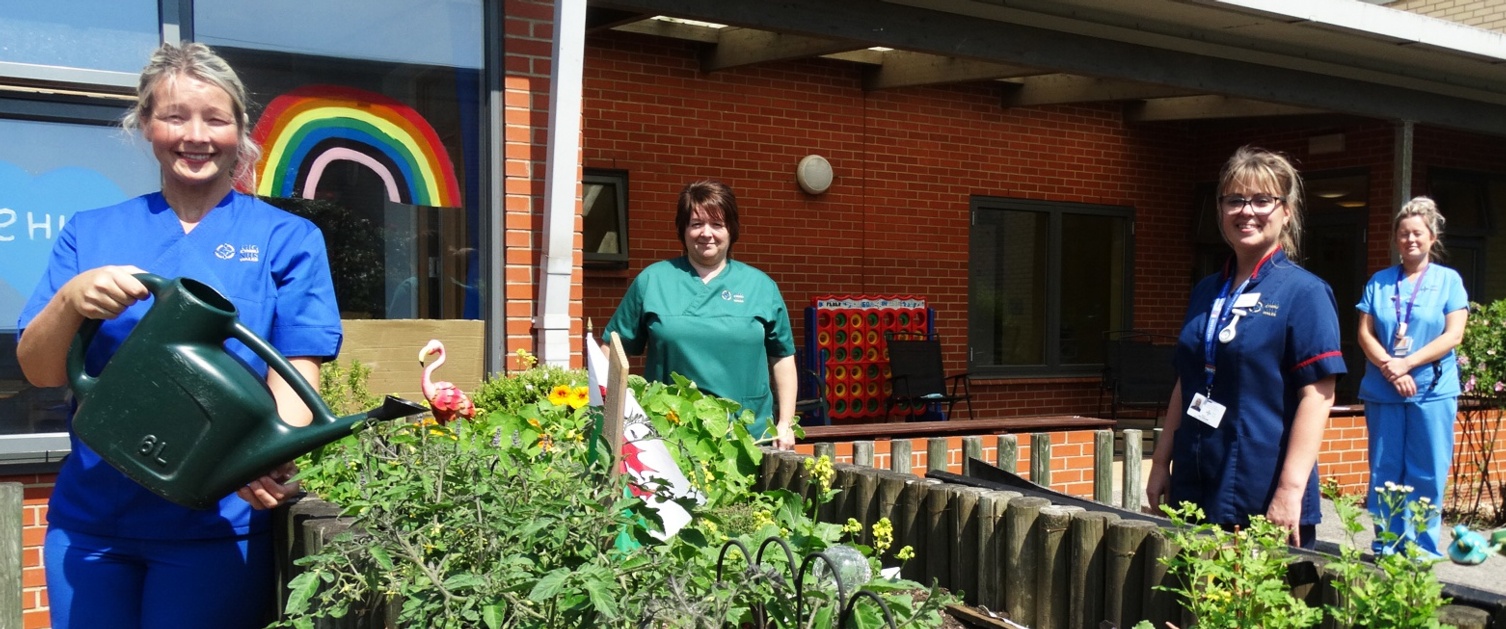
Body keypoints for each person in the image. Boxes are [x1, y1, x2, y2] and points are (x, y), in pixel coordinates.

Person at [14, 43, 343, 628]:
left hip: (216, 526)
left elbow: (296, 374)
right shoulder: (90, 234)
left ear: (240, 128)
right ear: (145, 125)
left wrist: (271, 458)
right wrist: (71, 299)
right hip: (91, 529)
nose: (196, 135)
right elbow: (39, 370)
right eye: (174, 116)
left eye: (215, 119)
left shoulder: (287, 239)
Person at [1145, 146, 1346, 548]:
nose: (1246, 211)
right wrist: (1161, 462)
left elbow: (1319, 396)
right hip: (1196, 479)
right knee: (1194, 601)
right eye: (1234, 200)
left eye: (1262, 200)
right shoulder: (1207, 290)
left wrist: (1290, 491)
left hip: (1262, 488)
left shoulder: (1304, 293)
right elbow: (1187, 380)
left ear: (1286, 211)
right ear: (1221, 210)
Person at [605, 179, 798, 450]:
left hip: (748, 437)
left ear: (731, 230)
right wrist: (619, 413)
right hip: (668, 436)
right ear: (683, 230)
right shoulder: (653, 281)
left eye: (717, 224)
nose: (706, 233)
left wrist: (785, 423)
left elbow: (782, 358)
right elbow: (610, 349)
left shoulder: (761, 287)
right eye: (696, 224)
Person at [1356, 196, 1468, 557]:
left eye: (1418, 233)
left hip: (1431, 391)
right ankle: (1387, 544)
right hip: (1385, 390)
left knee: (1427, 470)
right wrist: (1391, 367)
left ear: (1432, 237)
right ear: (1395, 239)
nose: (1410, 240)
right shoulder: (1380, 281)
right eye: (1403, 234)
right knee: (1385, 470)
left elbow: (1453, 335)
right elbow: (1365, 333)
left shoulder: (1449, 281)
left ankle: (1421, 549)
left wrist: (1408, 364)